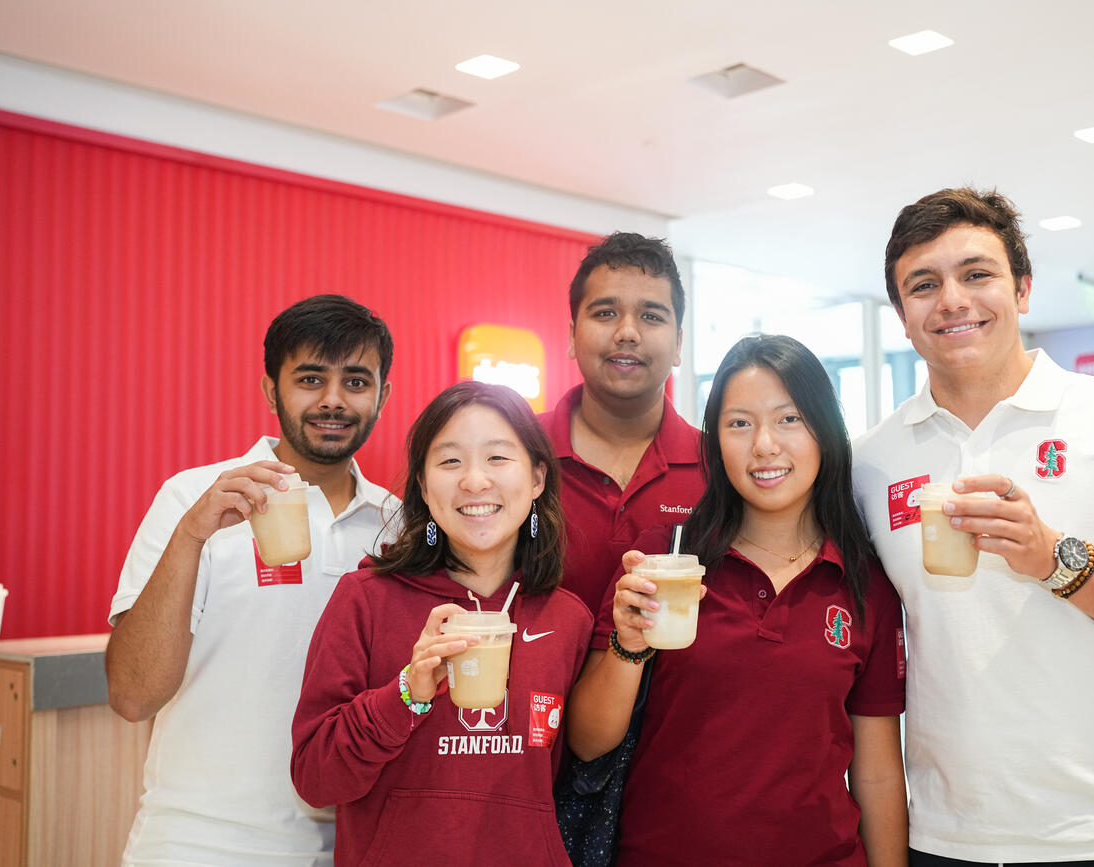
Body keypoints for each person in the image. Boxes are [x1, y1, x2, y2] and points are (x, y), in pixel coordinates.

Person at [852, 187, 1094, 866]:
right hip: (950, 842)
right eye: (924, 284)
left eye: (977, 274)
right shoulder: (871, 461)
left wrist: (1055, 558)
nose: (952, 300)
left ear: (1024, 288)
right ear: (902, 315)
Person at [568, 335, 908, 866]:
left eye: (789, 419)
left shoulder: (864, 584)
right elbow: (589, 743)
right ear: (715, 441)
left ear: (825, 430)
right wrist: (626, 646)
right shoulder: (664, 559)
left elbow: (879, 773)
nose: (765, 445)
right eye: (739, 423)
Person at [106, 294, 394, 865]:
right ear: (271, 390)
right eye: (311, 378)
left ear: (382, 398)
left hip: (354, 846)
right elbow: (133, 695)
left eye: (356, 382)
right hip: (200, 843)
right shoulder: (194, 498)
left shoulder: (403, 526)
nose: (333, 400)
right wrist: (191, 536)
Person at [291, 381, 593, 866]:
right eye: (450, 461)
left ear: (537, 479)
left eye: (498, 458)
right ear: (425, 488)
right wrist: (407, 692)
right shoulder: (365, 600)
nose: (474, 481)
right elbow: (315, 780)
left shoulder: (568, 619)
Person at [539, 232, 706, 616]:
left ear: (679, 344)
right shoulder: (516, 451)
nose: (627, 332)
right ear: (571, 336)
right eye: (605, 313)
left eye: (651, 316)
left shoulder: (720, 466)